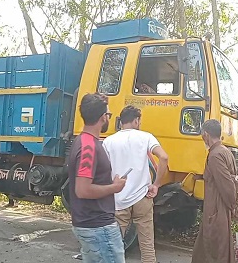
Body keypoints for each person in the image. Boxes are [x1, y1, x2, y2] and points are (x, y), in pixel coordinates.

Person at [103, 105, 169, 263]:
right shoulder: (146, 137)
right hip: (143, 197)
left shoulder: (108, 142)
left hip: (118, 199)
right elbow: (164, 157)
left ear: (121, 122)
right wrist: (156, 184)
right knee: (147, 246)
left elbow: (103, 171)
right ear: (136, 120)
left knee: (114, 246)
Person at [66, 93, 127, 263]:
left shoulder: (85, 142)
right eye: (109, 115)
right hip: (98, 227)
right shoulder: (88, 147)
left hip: (93, 225)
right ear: (103, 118)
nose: (109, 118)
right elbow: (83, 190)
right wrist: (115, 187)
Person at [191, 119, 238, 263]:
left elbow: (227, 185)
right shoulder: (225, 151)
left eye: (202, 135)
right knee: (205, 250)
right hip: (218, 210)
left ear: (206, 134)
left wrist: (234, 206)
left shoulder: (215, 155)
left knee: (215, 251)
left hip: (217, 210)